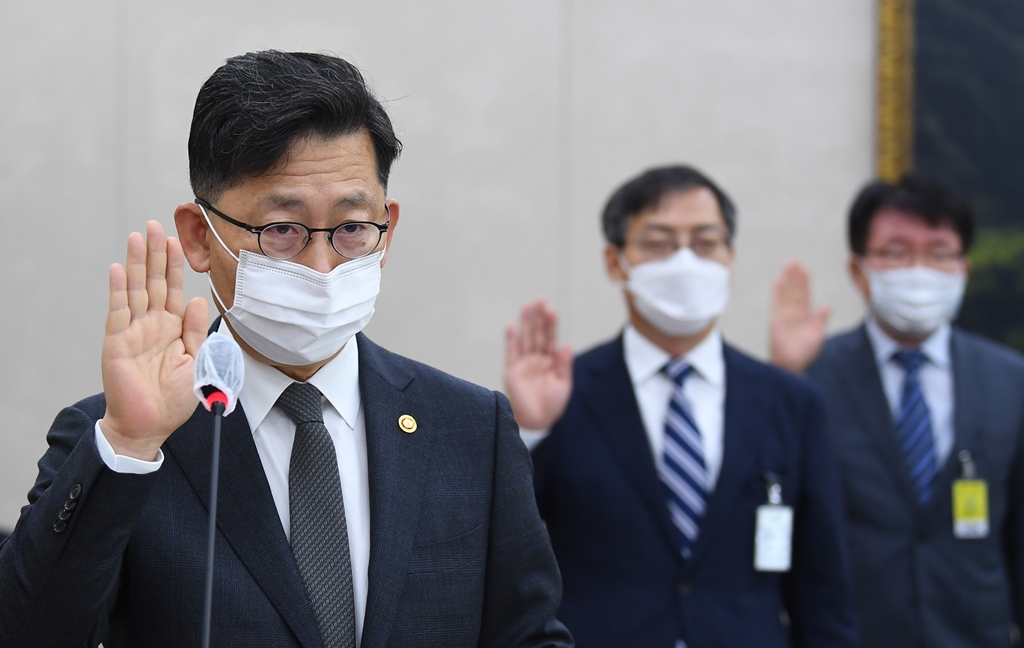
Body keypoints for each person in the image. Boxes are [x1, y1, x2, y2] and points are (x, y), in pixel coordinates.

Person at [0, 51, 572, 648]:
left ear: (387, 229)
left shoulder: (471, 430)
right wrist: (130, 444)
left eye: (352, 228)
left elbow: (530, 635)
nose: (321, 265)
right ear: (200, 236)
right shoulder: (117, 437)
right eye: (281, 231)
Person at [504, 165, 858, 648]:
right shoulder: (563, 391)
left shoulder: (789, 401)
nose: (685, 261)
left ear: (729, 257)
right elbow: (505, 553)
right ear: (615, 261)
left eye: (706, 242)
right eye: (658, 243)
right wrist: (531, 432)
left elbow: (823, 587)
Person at [770, 173, 1024, 647]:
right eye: (896, 252)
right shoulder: (812, 376)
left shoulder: (1010, 379)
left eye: (939, 253)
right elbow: (766, 505)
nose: (918, 270)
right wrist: (784, 379)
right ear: (859, 270)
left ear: (963, 269)